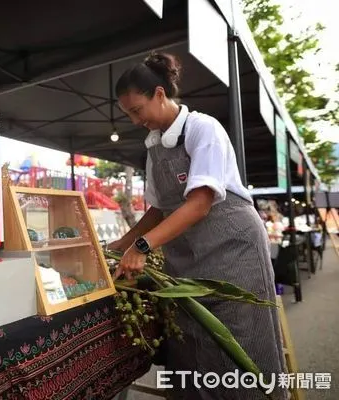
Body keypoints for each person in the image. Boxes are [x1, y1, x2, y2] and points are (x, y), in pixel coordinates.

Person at [108, 52, 288, 399]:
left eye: (136, 110)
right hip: (189, 258)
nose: (134, 120)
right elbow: (158, 209)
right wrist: (119, 245)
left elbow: (201, 202)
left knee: (241, 336)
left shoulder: (202, 129)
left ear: (159, 94)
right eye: (128, 113)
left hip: (234, 250)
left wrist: (142, 247)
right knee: (192, 339)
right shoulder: (155, 147)